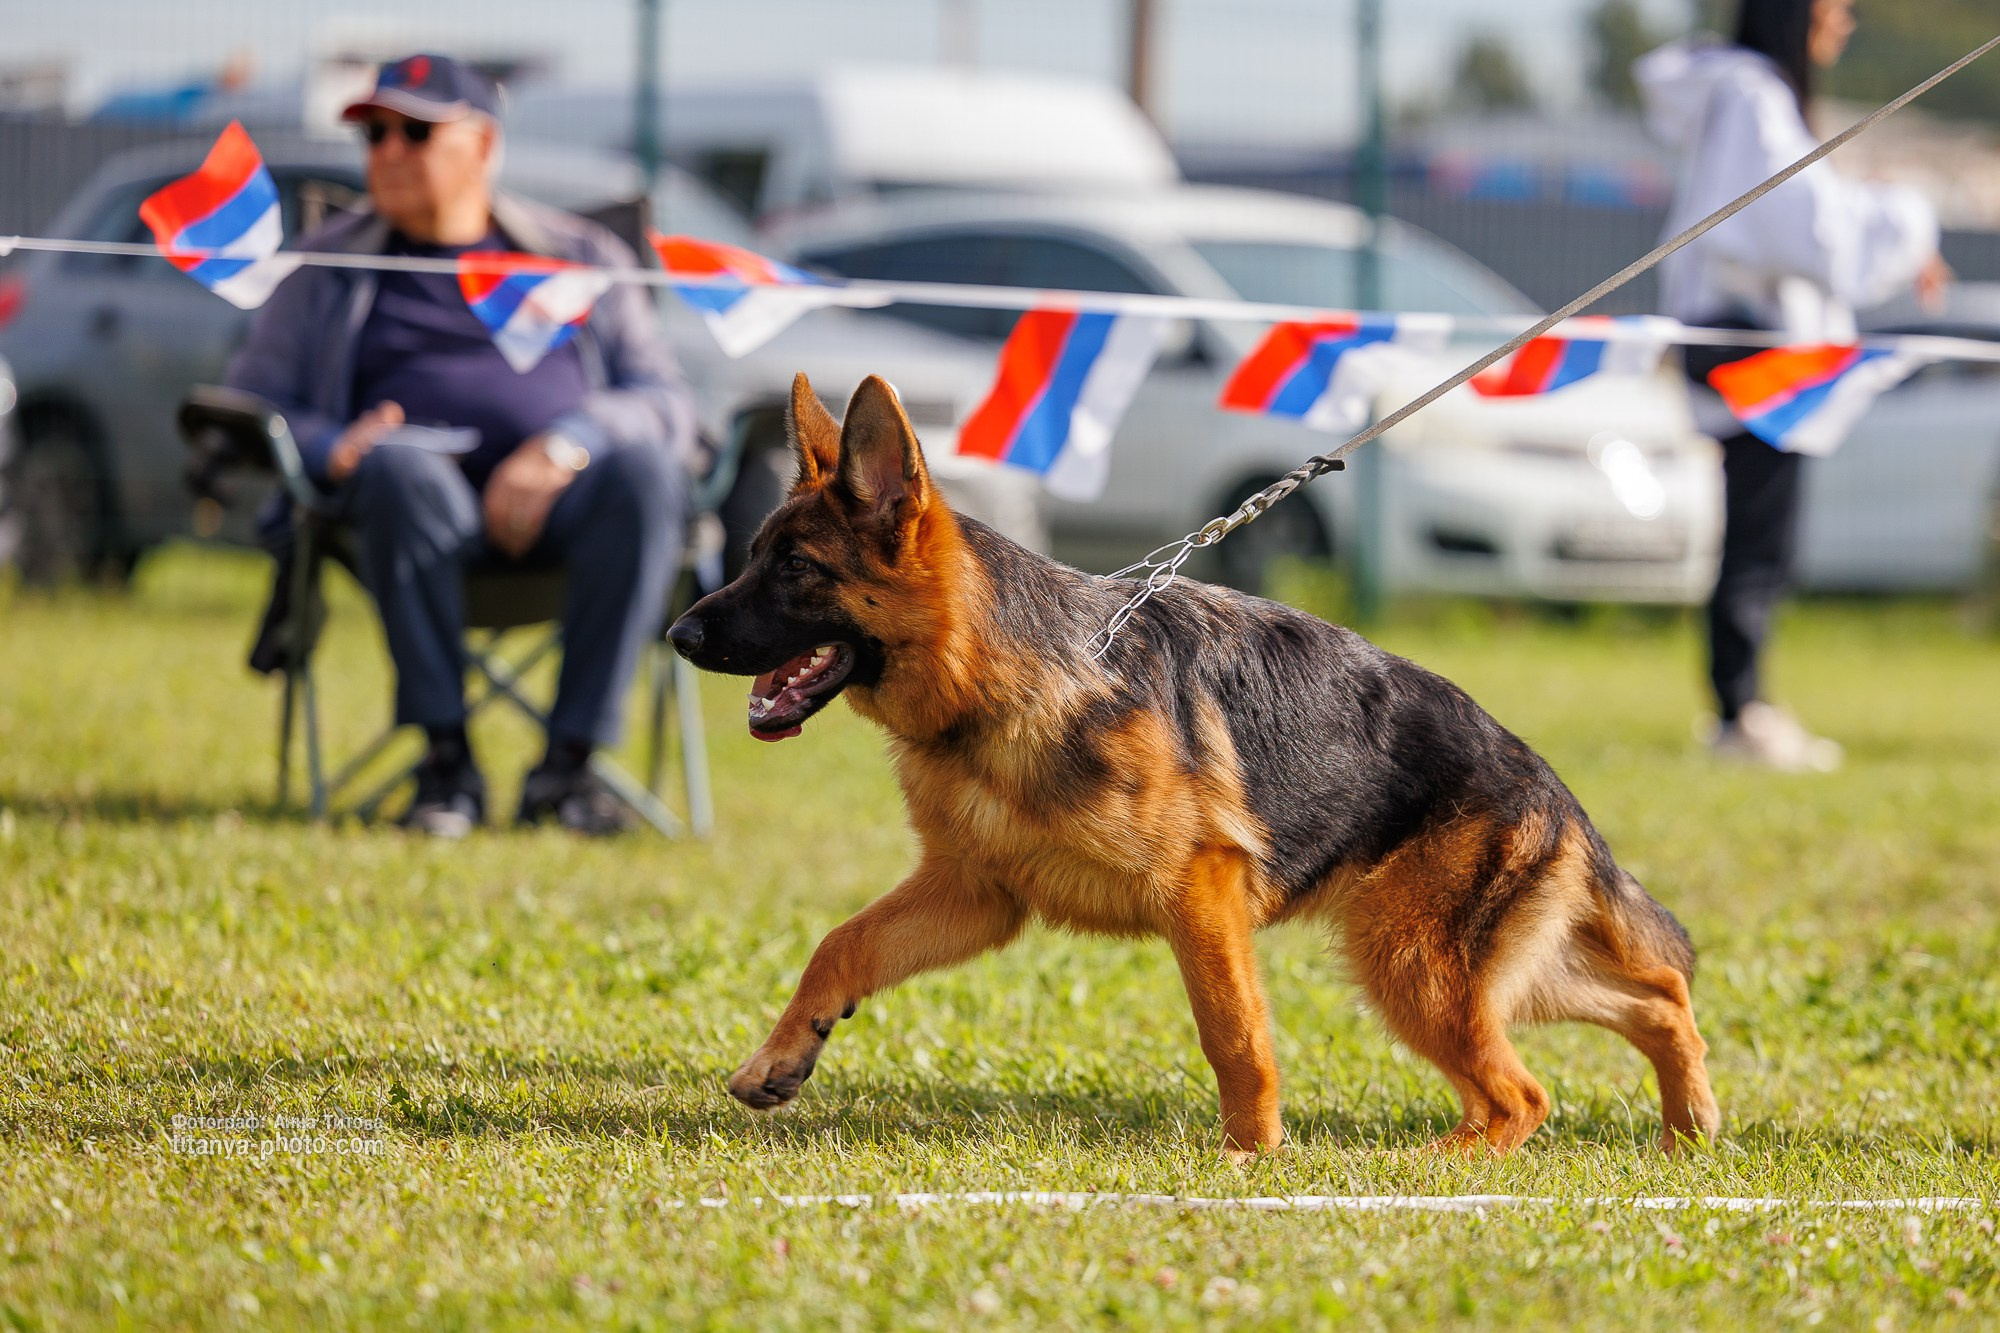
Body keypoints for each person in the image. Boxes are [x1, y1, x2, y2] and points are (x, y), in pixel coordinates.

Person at [227, 53, 698, 835]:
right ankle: (447, 767)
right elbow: (253, 404)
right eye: (374, 133)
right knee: (401, 468)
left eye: (414, 131)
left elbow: (669, 405)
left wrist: (569, 443)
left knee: (648, 472)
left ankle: (568, 770)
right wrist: (334, 443)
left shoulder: (579, 257)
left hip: (568, 517)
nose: (386, 152)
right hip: (403, 517)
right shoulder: (328, 266)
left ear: (481, 146)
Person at [1636, 0, 1948, 772]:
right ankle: (1741, 711)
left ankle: (1742, 704)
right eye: (1837, 7)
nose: (1845, 24)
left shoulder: (1740, 95)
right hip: (1753, 337)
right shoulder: (1754, 96)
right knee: (1760, 530)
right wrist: (1906, 219)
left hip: (1743, 331)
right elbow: (1806, 228)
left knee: (1761, 526)